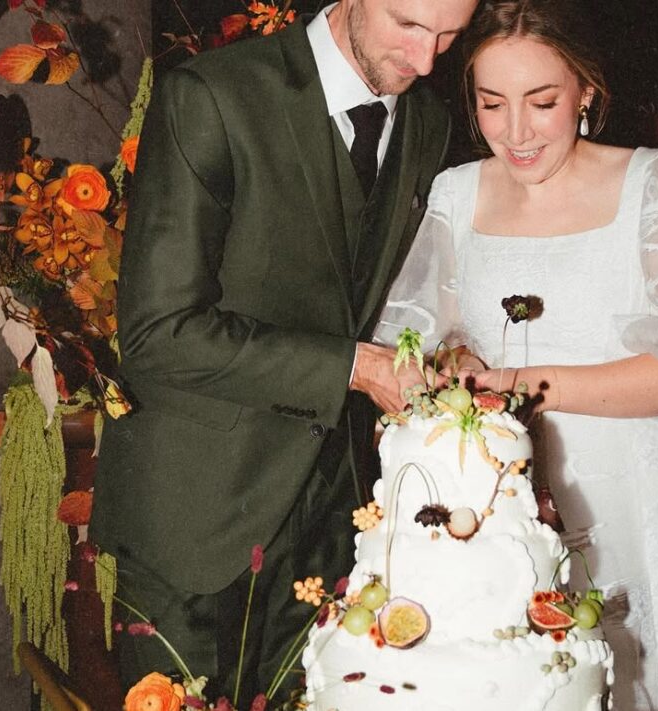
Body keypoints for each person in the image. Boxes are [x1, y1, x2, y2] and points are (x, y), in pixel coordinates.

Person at [374, 1, 658, 708]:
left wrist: (513, 382)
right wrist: (442, 366)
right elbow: (410, 341)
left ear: (587, 92)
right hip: (496, 515)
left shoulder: (656, 184)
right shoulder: (455, 193)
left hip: (639, 506)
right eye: (492, 104)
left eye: (542, 102)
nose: (515, 132)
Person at [90, 0, 478, 701]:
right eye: (410, 26)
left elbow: (380, 297)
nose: (426, 61)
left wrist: (445, 353)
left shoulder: (427, 125)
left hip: (337, 526)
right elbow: (157, 334)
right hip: (198, 522)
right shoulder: (212, 96)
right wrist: (355, 367)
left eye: (449, 37)